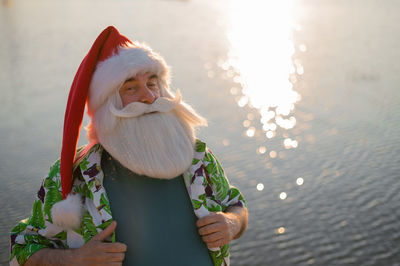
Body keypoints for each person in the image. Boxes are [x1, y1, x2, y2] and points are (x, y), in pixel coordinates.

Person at [9, 26, 248, 266]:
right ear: (106, 105)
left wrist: (232, 223)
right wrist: (76, 259)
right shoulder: (74, 176)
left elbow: (235, 205)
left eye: (152, 84)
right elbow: (23, 248)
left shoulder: (197, 157)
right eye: (131, 88)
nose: (148, 97)